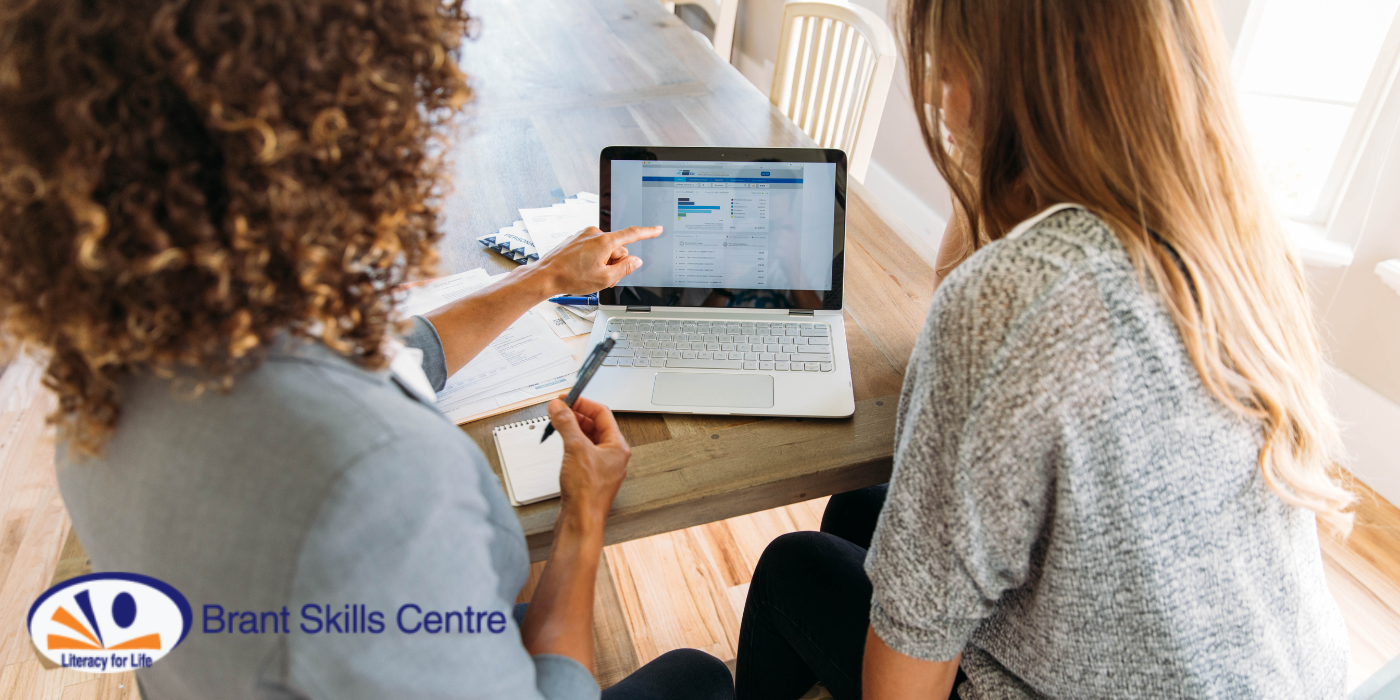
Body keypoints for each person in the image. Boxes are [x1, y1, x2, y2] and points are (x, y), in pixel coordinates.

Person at [0, 1, 733, 699]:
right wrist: (583, 516)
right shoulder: (377, 481)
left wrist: (544, 280)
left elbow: (394, 354)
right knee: (698, 677)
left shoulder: (108, 370)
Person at [734, 0, 1354, 698]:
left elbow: (900, 690)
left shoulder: (1014, 296)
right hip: (1292, 677)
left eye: (949, 68)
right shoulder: (1236, 241)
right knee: (860, 510)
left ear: (1013, 78)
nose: (939, 99)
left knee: (794, 566)